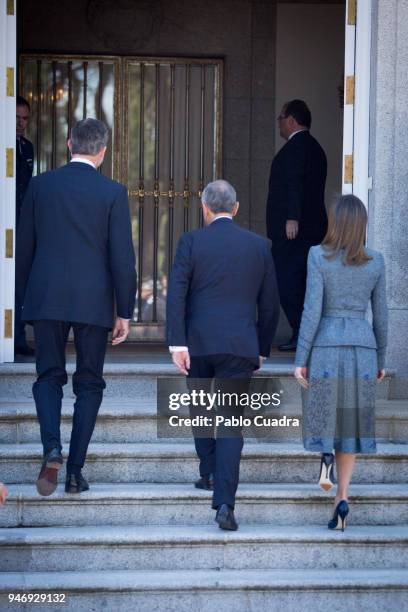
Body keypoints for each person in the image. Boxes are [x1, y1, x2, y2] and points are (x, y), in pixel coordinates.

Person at [16, 118, 136, 497]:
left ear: (69, 144)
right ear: (103, 150)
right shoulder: (113, 192)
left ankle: (52, 446)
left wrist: (19, 303)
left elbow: (24, 247)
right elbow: (122, 258)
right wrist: (125, 311)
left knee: (48, 376)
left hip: (47, 297)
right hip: (93, 301)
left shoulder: (40, 185)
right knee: (89, 383)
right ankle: (74, 471)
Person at [166, 180, 280, 531]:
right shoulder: (259, 246)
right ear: (236, 207)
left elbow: (176, 296)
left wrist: (177, 344)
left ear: (204, 208)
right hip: (239, 344)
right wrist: (261, 348)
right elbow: (270, 304)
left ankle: (208, 472)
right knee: (231, 421)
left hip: (198, 343)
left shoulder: (190, 242)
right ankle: (225, 504)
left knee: (201, 411)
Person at [294, 194, 387, 531]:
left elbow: (311, 310)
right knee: (350, 426)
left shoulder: (318, 256)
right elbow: (382, 317)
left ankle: (325, 457)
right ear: (361, 224)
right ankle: (342, 498)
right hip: (362, 348)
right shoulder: (375, 261)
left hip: (326, 346)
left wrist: (300, 357)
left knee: (322, 412)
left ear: (334, 223)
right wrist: (382, 358)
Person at [266, 99, 328, 351]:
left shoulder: (296, 147)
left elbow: (295, 183)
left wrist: (292, 218)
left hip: (294, 230)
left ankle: (302, 332)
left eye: (280, 118)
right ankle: (305, 333)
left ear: (291, 120)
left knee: (288, 281)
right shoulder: (315, 147)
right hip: (311, 228)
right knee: (302, 280)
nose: (279, 124)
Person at [15, 96, 35, 356]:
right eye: (17, 118)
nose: (21, 123)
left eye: (25, 119)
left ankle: (18, 338)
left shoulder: (28, 148)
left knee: (20, 282)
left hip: (21, 225)